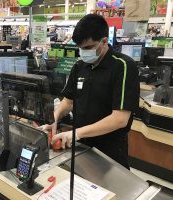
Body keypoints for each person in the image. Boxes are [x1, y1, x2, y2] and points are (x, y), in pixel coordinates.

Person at [42, 14, 140, 169]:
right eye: (80, 48)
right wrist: (53, 119)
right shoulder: (80, 65)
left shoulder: (123, 66)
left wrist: (76, 133)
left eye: (88, 48)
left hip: (109, 150)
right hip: (81, 144)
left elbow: (120, 119)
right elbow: (68, 101)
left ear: (104, 41)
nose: (83, 52)